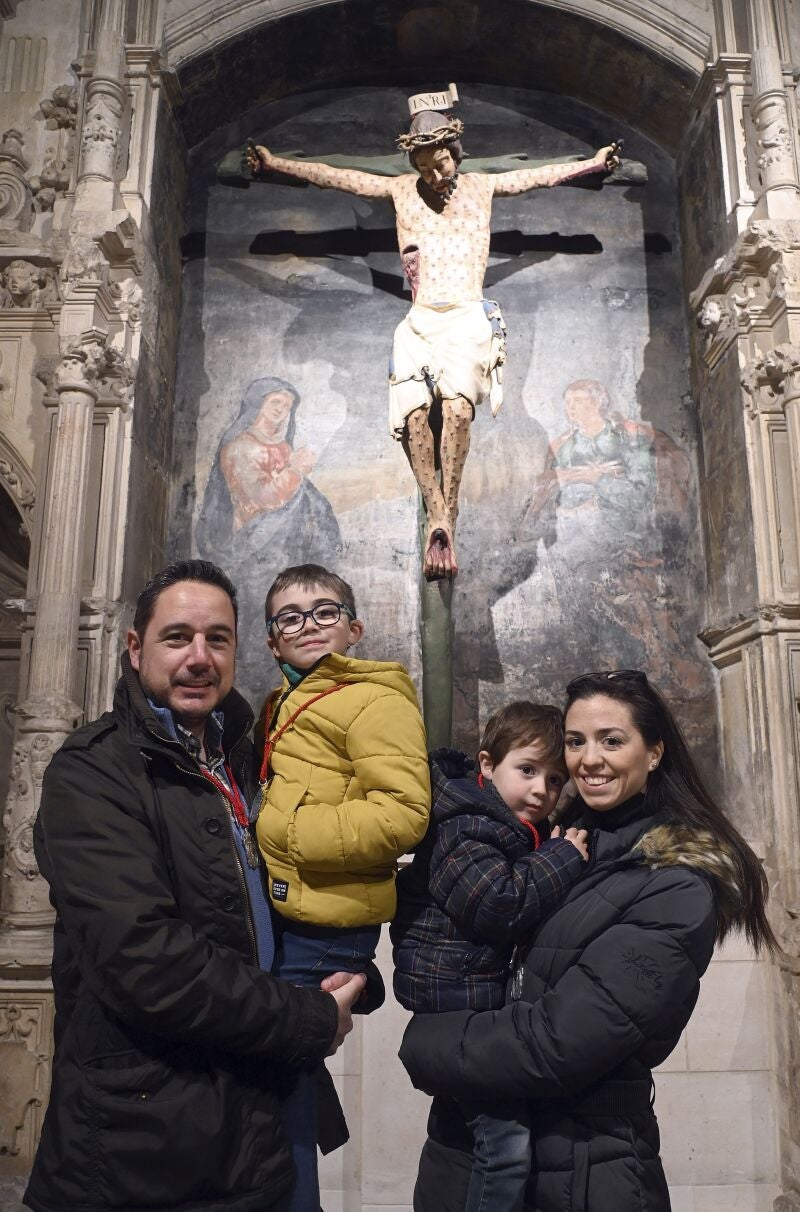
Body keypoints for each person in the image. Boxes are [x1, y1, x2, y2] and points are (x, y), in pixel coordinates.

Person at [25, 559, 368, 1212]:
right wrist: (309, 1019)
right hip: (144, 1136)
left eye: (217, 639)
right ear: (135, 648)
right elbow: (144, 960)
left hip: (251, 1108)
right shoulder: (93, 772)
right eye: (177, 637)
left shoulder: (246, 760)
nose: (199, 657)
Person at [398, 669, 777, 1212]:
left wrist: (426, 1043)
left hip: (582, 1167)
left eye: (612, 740)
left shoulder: (674, 879)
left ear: (654, 753)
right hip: (470, 1153)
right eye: (576, 742)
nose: (588, 759)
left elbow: (559, 1045)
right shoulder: (559, 842)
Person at [247, 98, 619, 580]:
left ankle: (450, 514)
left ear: (456, 153)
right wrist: (274, 163)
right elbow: (335, 176)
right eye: (424, 167)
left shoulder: (483, 188)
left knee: (460, 409)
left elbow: (538, 177)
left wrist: (592, 163)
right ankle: (436, 514)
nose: (434, 174)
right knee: (415, 415)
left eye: (440, 162)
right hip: (420, 320)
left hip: (466, 314)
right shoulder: (403, 191)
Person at [256, 561, 431, 1210]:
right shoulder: (280, 703)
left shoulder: (374, 698)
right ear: (273, 640)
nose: (309, 625)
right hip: (291, 918)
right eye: (290, 617)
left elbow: (404, 814)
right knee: (273, 1084)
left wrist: (291, 836)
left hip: (325, 930)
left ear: (352, 628)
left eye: (325, 612)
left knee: (276, 1092)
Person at [391, 702, 590, 1212]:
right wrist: (564, 855)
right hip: (457, 1008)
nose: (541, 791)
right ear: (486, 765)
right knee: (505, 1150)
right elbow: (495, 905)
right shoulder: (467, 825)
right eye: (527, 770)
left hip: (471, 1008)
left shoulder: (506, 826)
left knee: (474, 1143)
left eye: (554, 780)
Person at [196, 377, 341, 703]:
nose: (282, 414)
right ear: (256, 405)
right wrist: (297, 470)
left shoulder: (284, 449)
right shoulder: (240, 448)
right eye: (276, 404)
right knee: (261, 644)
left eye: (288, 408)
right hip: (256, 559)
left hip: (288, 561)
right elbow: (263, 495)